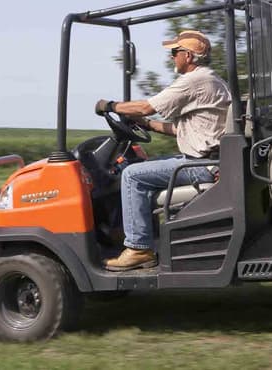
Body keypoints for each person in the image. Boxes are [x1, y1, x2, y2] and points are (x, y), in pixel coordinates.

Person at [94, 30, 232, 271]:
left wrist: (110, 106)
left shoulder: (194, 81)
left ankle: (139, 248)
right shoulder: (211, 79)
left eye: (174, 52)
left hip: (202, 166)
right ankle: (128, 233)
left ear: (188, 56)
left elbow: (147, 106)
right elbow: (181, 129)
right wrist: (146, 126)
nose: (171, 57)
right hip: (206, 160)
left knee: (131, 175)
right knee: (134, 167)